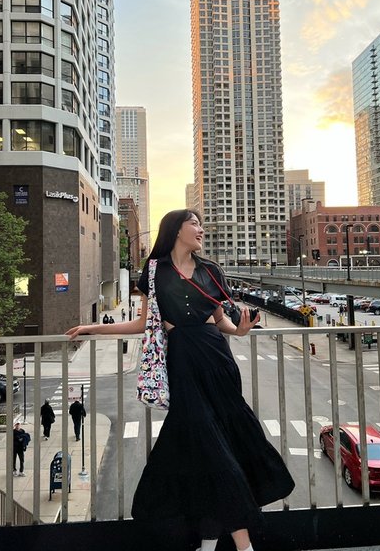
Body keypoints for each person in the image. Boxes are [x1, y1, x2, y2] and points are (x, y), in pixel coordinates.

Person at [66, 209, 294, 551]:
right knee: (213, 451)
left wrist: (241, 330)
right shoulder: (154, 272)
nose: (201, 229)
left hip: (218, 361)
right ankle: (244, 546)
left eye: (201, 224)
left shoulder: (210, 271)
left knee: (216, 448)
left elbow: (222, 321)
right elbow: (143, 323)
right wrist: (93, 328)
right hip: (183, 363)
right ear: (175, 230)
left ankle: (208, 540)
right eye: (194, 224)